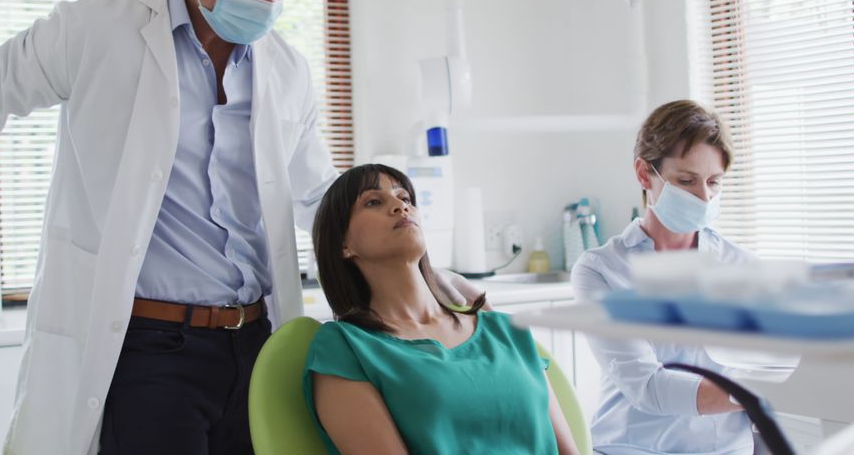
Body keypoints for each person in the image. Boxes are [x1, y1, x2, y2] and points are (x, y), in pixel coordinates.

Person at [0, 0, 479, 453]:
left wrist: (424, 274)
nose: (268, 1)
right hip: (148, 351)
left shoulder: (286, 69)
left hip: (259, 345)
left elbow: (320, 198)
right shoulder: (98, 31)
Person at [302, 164, 581, 455]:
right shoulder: (345, 349)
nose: (400, 206)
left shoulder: (506, 330)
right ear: (343, 244)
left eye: (405, 198)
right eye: (373, 201)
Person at [570, 100, 755, 455]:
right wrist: (755, 393)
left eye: (714, 182)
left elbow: (771, 363)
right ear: (644, 174)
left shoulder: (741, 267)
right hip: (632, 447)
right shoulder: (601, 271)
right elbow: (648, 387)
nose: (704, 197)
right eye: (686, 181)